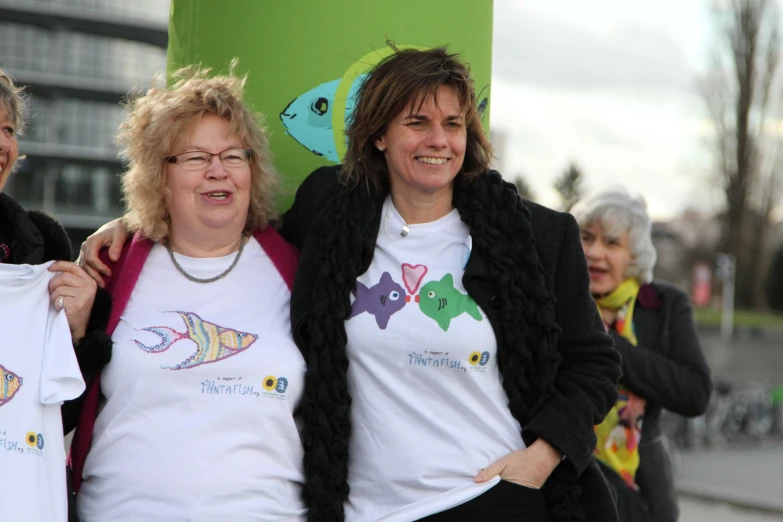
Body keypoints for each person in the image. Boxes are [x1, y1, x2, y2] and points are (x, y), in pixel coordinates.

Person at [80, 47, 622, 522]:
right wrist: (131, 227)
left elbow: (594, 365)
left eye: (453, 124)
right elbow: (218, 224)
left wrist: (540, 458)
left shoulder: (534, 237)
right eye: (417, 123)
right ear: (379, 134)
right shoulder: (330, 213)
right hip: (363, 509)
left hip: (488, 498)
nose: (438, 140)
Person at [68, 66, 306, 521]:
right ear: (160, 177)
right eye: (195, 157)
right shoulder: (110, 269)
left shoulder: (299, 269)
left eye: (234, 156)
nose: (218, 171)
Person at [0, 69, 110, 522]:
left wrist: (78, 332)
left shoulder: (40, 248)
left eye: (8, 129)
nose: (2, 143)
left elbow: (55, 418)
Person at [571, 188, 712, 522]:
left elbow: (694, 393)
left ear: (635, 255)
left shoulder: (664, 305)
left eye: (612, 243)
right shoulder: (559, 302)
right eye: (586, 238)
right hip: (566, 485)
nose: (594, 252)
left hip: (642, 495)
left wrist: (605, 341)